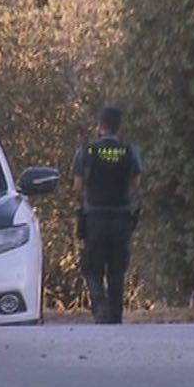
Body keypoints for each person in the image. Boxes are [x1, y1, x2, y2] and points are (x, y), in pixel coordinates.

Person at [72, 105, 143, 324]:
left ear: (100, 125)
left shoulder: (87, 151)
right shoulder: (129, 151)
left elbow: (77, 186)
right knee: (116, 269)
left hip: (94, 217)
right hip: (122, 217)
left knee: (92, 268)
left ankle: (100, 307)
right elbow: (136, 183)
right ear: (119, 127)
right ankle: (115, 315)